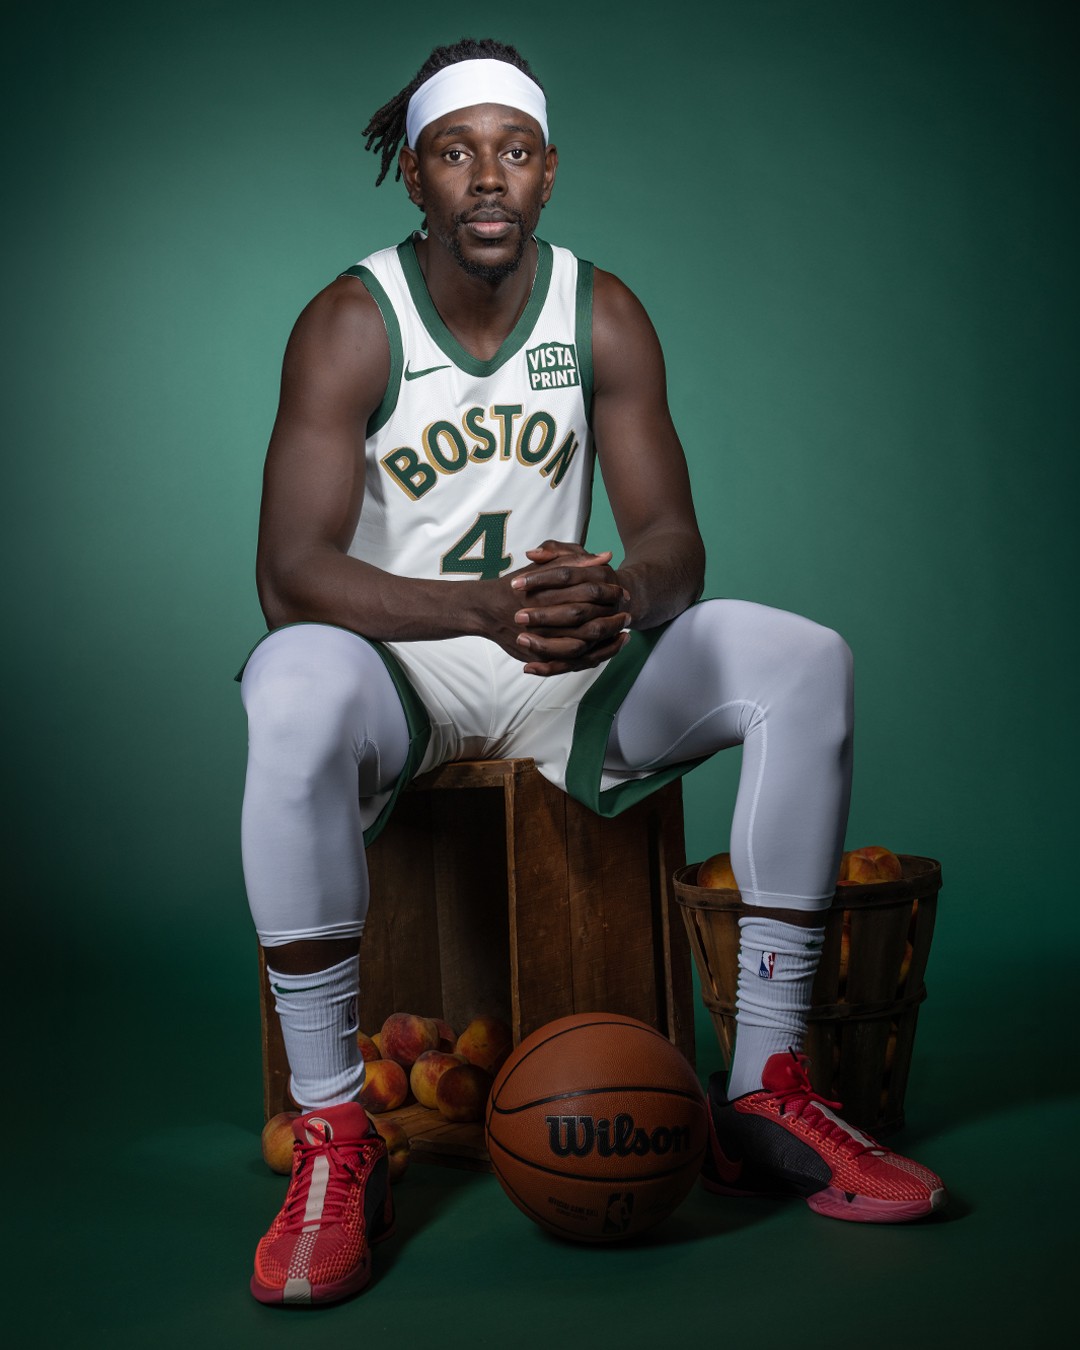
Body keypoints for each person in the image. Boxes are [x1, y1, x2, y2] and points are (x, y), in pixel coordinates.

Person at [239, 37, 947, 1307]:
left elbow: (673, 539)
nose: (489, 178)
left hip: (567, 670)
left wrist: (625, 595)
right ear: (416, 175)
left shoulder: (600, 310)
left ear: (550, 172)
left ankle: (765, 1091)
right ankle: (338, 1127)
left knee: (805, 660)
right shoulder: (351, 321)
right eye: (458, 154)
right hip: (403, 672)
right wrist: (478, 608)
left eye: (514, 152)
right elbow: (290, 572)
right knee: (289, 678)